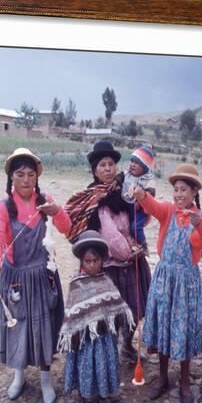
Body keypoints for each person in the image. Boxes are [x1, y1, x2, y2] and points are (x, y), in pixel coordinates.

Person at [0, 148, 71, 403]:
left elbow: (67, 228)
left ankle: (46, 380)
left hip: (43, 276)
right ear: (11, 177)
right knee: (19, 327)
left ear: (37, 177)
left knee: (43, 327)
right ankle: (19, 376)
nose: (25, 180)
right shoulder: (4, 207)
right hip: (16, 278)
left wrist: (57, 210)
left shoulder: (45, 201)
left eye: (30, 174)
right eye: (20, 174)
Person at [132, 163, 202, 403]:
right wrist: (141, 195)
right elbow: (153, 206)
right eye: (176, 190)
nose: (179, 194)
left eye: (183, 190)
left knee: (184, 331)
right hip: (164, 280)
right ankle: (162, 378)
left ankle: (183, 381)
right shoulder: (169, 211)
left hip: (186, 285)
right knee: (162, 328)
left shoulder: (201, 217)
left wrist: (199, 223)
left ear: (194, 193)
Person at [65, 140, 152, 363]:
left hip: (133, 258)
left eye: (111, 164)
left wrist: (137, 243)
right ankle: (109, 350)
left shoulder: (125, 189)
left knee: (134, 306)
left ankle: (128, 344)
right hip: (109, 263)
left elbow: (139, 216)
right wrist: (126, 251)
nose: (107, 169)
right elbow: (108, 231)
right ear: (95, 169)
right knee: (110, 310)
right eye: (102, 165)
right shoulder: (92, 197)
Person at [58, 231, 135, 403]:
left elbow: (116, 306)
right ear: (82, 262)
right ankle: (82, 398)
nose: (92, 264)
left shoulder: (106, 281)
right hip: (84, 341)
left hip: (104, 339)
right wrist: (74, 333)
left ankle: (102, 393)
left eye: (95, 260)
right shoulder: (76, 285)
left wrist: (120, 318)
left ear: (102, 260)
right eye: (87, 261)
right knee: (85, 365)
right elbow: (72, 314)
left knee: (103, 364)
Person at [121, 145, 156, 251]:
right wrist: (115, 181)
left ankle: (143, 244)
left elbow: (150, 194)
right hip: (127, 206)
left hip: (141, 210)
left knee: (135, 227)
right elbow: (119, 179)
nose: (132, 165)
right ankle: (131, 245)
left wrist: (140, 200)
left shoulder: (148, 179)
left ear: (145, 167)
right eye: (132, 161)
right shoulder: (127, 174)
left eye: (137, 163)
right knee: (125, 227)